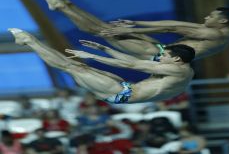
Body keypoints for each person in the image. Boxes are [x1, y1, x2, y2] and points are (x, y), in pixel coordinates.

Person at [9, 28, 194, 104]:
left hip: (121, 94)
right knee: (74, 66)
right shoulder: (182, 69)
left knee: (73, 67)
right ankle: (28, 40)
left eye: (164, 56)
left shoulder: (175, 69)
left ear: (177, 60)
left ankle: (28, 41)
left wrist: (91, 55)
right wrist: (104, 48)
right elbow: (131, 61)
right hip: (125, 88)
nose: (160, 58)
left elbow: (131, 63)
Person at [42, 0, 229, 60]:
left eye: (211, 16)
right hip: (161, 50)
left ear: (222, 21)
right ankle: (66, 4)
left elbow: (170, 29)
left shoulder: (216, 34)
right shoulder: (217, 29)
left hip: (157, 55)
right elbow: (174, 23)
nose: (206, 17)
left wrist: (131, 30)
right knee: (103, 28)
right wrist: (136, 23)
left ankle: (62, 7)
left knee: (101, 31)